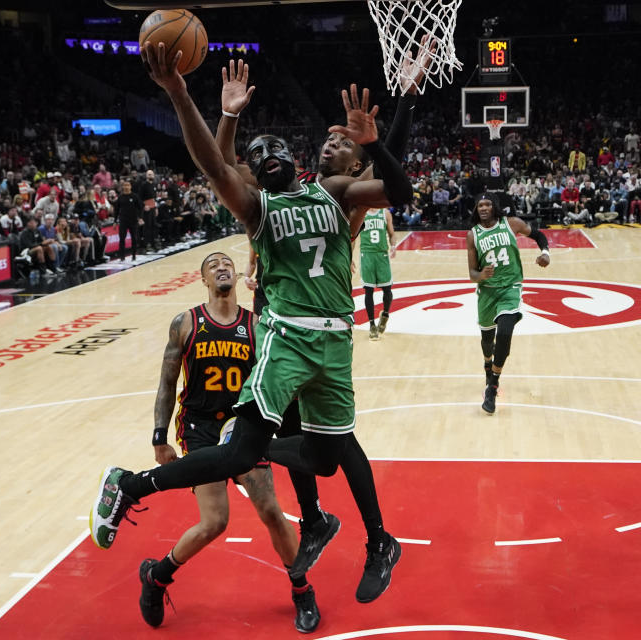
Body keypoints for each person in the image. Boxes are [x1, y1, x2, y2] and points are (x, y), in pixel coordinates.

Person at [90, 43, 412, 604]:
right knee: (243, 453)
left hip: (336, 342)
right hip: (285, 338)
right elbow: (215, 164)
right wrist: (189, 97)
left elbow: (400, 192)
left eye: (275, 148)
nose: (265, 156)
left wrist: (374, 143)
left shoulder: (331, 192)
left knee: (329, 457)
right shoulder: (257, 208)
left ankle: (354, 533)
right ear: (253, 171)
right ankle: (133, 484)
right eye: (254, 154)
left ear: (297, 158)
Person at [139, 251, 319, 632]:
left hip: (243, 425)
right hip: (200, 429)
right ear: (203, 279)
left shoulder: (255, 326)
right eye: (212, 265)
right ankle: (156, 577)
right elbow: (167, 383)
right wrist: (159, 436)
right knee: (215, 522)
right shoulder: (186, 323)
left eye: (226, 264)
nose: (221, 267)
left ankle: (302, 589)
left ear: (237, 276)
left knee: (270, 510)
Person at [467, 193, 551, 414]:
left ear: (494, 207)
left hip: (510, 288)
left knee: (504, 332)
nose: (483, 208)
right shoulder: (472, 235)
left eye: (487, 204)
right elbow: (472, 274)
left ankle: (493, 385)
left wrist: (545, 253)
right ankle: (488, 366)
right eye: (480, 205)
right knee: (487, 341)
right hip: (487, 292)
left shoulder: (511, 224)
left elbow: (539, 236)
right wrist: (481, 275)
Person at [359, 208, 396, 340]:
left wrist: (393, 246)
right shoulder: (361, 213)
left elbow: (392, 234)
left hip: (382, 254)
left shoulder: (385, 213)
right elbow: (353, 236)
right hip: (367, 254)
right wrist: (350, 257)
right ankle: (372, 325)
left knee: (387, 289)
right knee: (368, 290)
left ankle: (385, 314)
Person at [115, 179, 141, 261]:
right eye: (125, 185)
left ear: (130, 186)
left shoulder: (135, 196)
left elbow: (140, 207)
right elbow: (116, 210)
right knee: (122, 239)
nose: (126, 187)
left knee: (134, 238)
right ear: (122, 187)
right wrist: (115, 221)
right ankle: (122, 257)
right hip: (123, 221)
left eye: (128, 185)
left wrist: (140, 217)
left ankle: (134, 255)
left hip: (133, 220)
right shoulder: (120, 198)